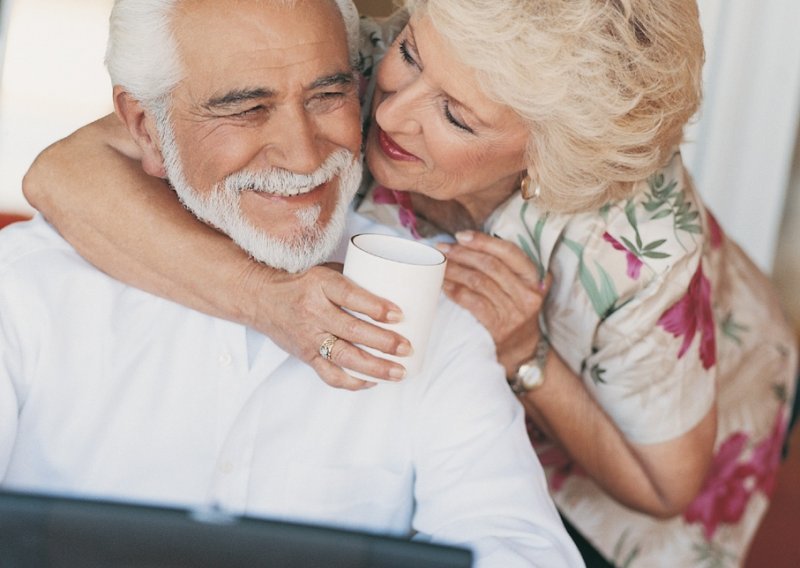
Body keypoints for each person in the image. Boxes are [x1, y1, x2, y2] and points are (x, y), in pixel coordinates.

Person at [23, 0, 799, 566]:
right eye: (414, 57)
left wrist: (526, 358)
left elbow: (665, 485)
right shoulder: (357, 56)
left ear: (542, 156)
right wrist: (264, 299)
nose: (389, 114)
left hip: (646, 422)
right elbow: (64, 170)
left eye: (456, 117)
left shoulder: (637, 247)